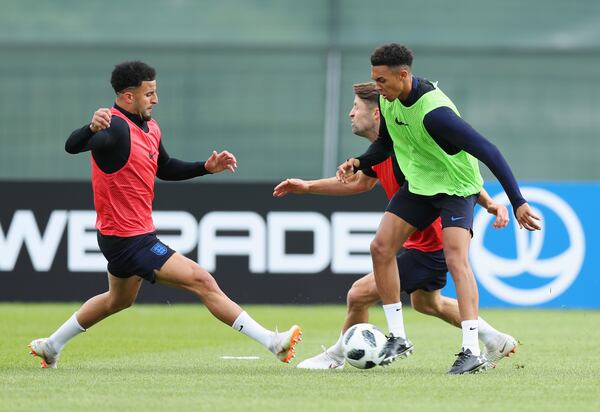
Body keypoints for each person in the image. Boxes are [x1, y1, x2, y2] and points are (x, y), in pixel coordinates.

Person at [28, 61, 301, 369]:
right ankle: (272, 342)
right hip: (128, 239)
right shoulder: (114, 127)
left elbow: (165, 168)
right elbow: (72, 146)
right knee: (202, 280)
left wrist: (204, 168)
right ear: (128, 97)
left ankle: (51, 345)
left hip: (125, 236)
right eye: (150, 93)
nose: (155, 99)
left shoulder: (151, 128)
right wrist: (89, 129)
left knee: (117, 300)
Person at [274, 82, 517, 370]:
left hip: (433, 243)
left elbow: (453, 177)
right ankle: (494, 339)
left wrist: (491, 203)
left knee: (358, 294)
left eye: (356, 107)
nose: (350, 114)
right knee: (428, 303)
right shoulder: (385, 149)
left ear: (377, 113)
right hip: (424, 244)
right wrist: (307, 187)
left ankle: (337, 357)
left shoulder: (408, 144)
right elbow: (361, 182)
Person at [336, 44, 540, 374]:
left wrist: (517, 201)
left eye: (382, 80)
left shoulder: (435, 113)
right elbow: (386, 145)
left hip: (457, 187)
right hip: (421, 185)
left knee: (456, 259)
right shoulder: (389, 102)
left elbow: (488, 150)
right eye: (375, 79)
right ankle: (398, 337)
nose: (378, 87)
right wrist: (358, 162)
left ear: (403, 75)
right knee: (380, 247)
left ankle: (471, 351)